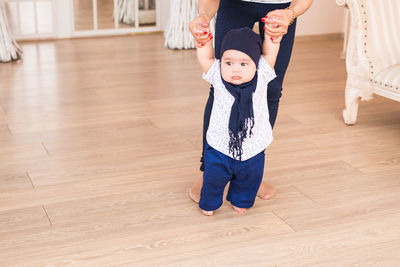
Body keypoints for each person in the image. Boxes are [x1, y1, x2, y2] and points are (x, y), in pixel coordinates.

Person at [188, 0, 314, 203]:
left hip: (281, 8)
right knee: (222, 86)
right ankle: (208, 170)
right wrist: (204, 15)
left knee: (270, 88)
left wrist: (290, 13)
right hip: (235, 5)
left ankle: (249, 171)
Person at [196, 27, 281, 215]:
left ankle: (240, 200)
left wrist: (272, 38)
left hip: (253, 147)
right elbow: (204, 58)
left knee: (250, 178)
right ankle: (209, 203)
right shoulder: (218, 77)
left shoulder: (262, 76)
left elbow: (270, 52)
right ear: (220, 63)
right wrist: (203, 42)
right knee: (213, 178)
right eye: (229, 63)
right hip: (220, 146)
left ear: (256, 64)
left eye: (244, 64)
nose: (235, 69)